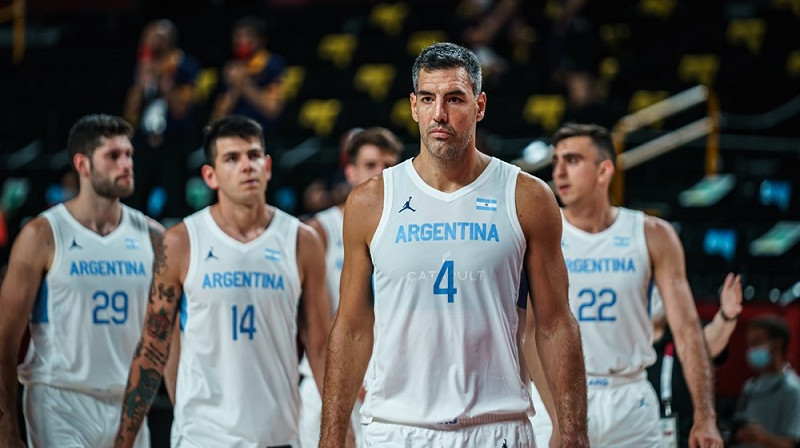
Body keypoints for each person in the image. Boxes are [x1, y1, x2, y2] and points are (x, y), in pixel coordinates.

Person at [319, 42, 588, 447]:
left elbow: (553, 324)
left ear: (479, 106)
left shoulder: (526, 196)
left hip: (496, 425)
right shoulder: (371, 201)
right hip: (396, 427)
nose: (439, 114)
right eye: (428, 99)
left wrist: (572, 430)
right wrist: (332, 435)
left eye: (455, 99)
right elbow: (352, 328)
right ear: (413, 106)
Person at [114, 115, 332, 448]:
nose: (247, 166)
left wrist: (340, 431)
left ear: (268, 166)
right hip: (203, 436)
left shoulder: (302, 241)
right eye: (232, 158)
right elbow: (153, 347)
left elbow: (320, 348)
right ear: (210, 176)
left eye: (254, 155)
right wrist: (124, 440)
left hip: (276, 434)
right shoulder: (181, 242)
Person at [549, 122, 723, 447]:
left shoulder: (652, 234)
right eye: (556, 161)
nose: (559, 171)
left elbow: (686, 329)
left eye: (572, 161)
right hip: (558, 395)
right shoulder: (542, 231)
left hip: (628, 398)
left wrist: (705, 415)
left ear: (604, 171)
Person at [0, 114, 160, 447]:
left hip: (128, 402)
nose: (126, 164)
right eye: (113, 156)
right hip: (60, 400)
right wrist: (6, 428)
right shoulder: (42, 235)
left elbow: (166, 335)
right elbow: (5, 339)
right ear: (83, 164)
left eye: (129, 154)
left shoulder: (153, 236)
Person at [298, 127, 403, 448]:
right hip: (328, 378)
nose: (380, 174)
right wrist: (348, 374)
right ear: (350, 171)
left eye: (389, 166)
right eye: (371, 165)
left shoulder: (409, 228)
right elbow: (313, 321)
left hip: (390, 382)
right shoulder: (321, 229)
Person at [647, 274, 743, 448]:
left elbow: (710, 342)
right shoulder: (627, 343)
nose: (655, 297)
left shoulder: (686, 339)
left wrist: (726, 316)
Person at [124, 19, 200, 218]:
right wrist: (141, 84)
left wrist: (165, 82)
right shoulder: (143, 67)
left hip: (174, 143)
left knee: (176, 200)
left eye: (156, 39)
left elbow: (182, 110)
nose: (150, 43)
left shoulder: (185, 66)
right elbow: (130, 115)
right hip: (143, 142)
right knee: (135, 199)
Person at [730, 314, 800, 448]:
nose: (751, 350)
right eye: (749, 344)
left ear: (777, 344)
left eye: (757, 342)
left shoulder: (793, 390)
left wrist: (760, 437)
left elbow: (791, 443)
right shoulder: (750, 387)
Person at [211, 16, 287, 136]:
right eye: (238, 36)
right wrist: (233, 88)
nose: (242, 41)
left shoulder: (273, 65)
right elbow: (217, 118)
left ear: (261, 40)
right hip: (234, 135)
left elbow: (272, 111)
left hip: (266, 135)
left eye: (248, 36)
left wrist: (245, 84)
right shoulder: (231, 69)